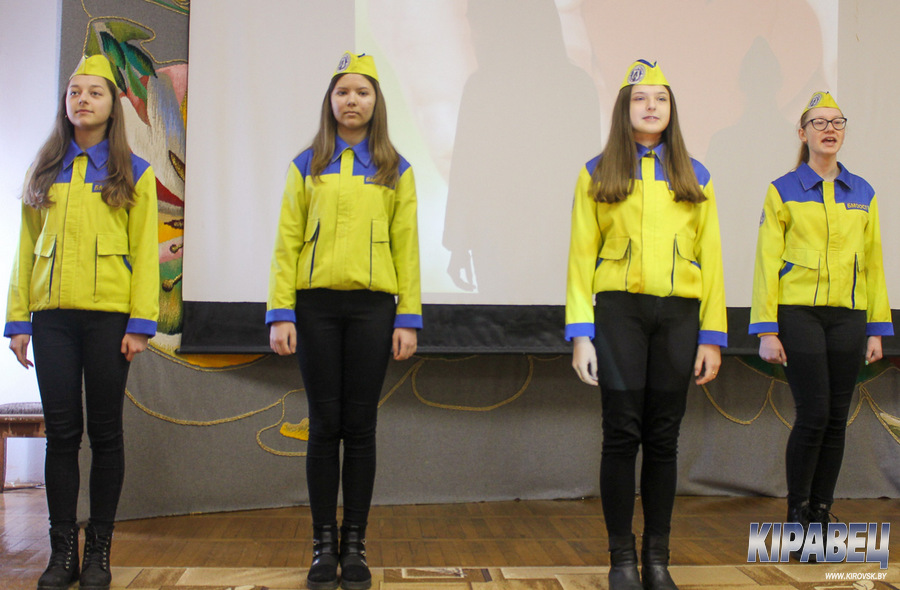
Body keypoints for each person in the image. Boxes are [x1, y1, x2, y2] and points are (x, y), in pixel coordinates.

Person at [565, 60, 727, 590]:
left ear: (672, 110)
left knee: (663, 439)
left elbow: (712, 261)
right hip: (618, 316)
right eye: (640, 98)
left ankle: (657, 559)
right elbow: (580, 259)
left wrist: (711, 337)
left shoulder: (695, 175)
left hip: (679, 318)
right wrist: (581, 334)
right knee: (621, 435)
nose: (651, 106)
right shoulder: (596, 172)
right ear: (624, 108)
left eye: (661, 98)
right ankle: (622, 561)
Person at [267, 52, 421, 590]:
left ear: (376, 102)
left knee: (359, 428)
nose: (351, 100)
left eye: (362, 91)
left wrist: (408, 317)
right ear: (329, 101)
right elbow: (286, 243)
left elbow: (407, 247)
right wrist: (281, 312)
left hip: (374, 310)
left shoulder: (396, 169)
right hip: (314, 310)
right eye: (342, 91)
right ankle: (322, 546)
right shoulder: (305, 165)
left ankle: (355, 545)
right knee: (323, 424)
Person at [5, 54, 159, 590]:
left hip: (110, 322)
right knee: (62, 435)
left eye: (95, 92)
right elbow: (25, 250)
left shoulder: (134, 172)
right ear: (65, 102)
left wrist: (141, 323)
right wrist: (18, 322)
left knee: (107, 434)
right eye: (75, 92)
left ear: (112, 106)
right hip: (52, 321)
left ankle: (99, 551)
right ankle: (61, 551)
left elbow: (145, 253)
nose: (83, 100)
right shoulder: (44, 170)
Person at [749, 91, 892, 558]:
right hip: (799, 314)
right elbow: (766, 262)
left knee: (836, 419)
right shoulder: (783, 189)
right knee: (812, 415)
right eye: (819, 122)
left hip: (849, 316)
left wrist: (877, 327)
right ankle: (796, 518)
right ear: (803, 132)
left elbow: (874, 265)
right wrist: (767, 329)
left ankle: (821, 514)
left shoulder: (863, 192)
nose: (829, 130)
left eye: (837, 122)